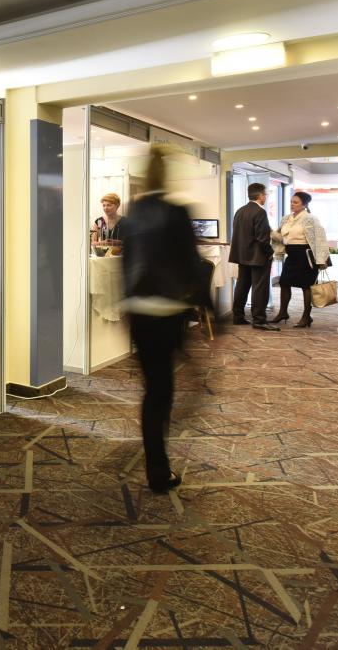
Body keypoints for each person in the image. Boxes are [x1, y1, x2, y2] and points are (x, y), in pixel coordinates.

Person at [120, 147, 200, 494]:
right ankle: (158, 470)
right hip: (166, 311)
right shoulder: (177, 212)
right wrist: (207, 308)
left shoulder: (132, 214)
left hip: (138, 311)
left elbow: (126, 264)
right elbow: (192, 264)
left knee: (153, 390)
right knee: (162, 392)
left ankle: (157, 465)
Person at [273, 191, 329, 328]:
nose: (292, 204)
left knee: (306, 286)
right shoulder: (286, 219)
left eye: (296, 202)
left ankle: (306, 316)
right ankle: (283, 312)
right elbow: (281, 236)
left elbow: (320, 238)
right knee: (284, 282)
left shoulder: (311, 218)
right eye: (291, 202)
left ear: (304, 205)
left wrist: (322, 260)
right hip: (291, 255)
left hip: (306, 256)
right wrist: (272, 234)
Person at [229, 183, 279, 330]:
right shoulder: (260, 212)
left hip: (242, 255)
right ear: (260, 195)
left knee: (242, 286)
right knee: (260, 288)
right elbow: (262, 238)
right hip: (258, 257)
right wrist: (270, 253)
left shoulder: (240, 211)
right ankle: (259, 320)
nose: (266, 197)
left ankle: (238, 316)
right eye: (265, 194)